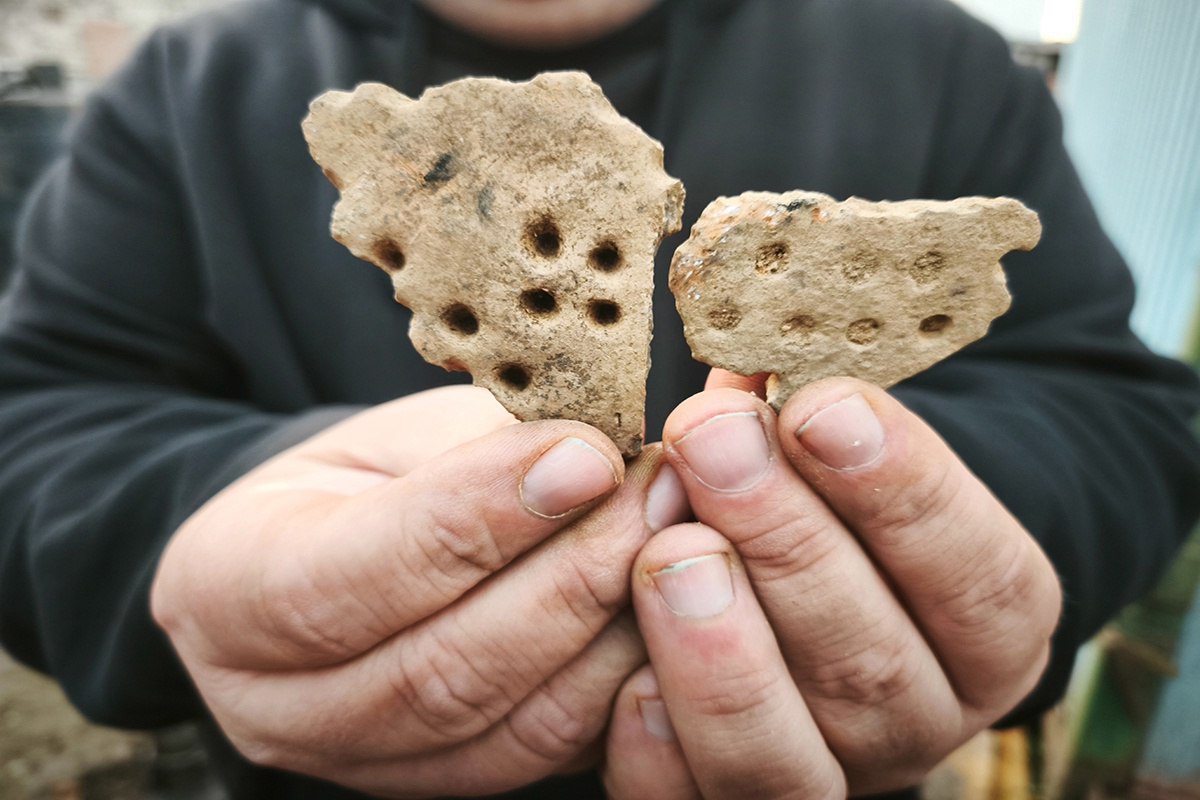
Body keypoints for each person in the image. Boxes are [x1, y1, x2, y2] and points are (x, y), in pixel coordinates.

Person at [1, 0, 1198, 797]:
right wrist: (201, 535)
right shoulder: (183, 88)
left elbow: (1116, 407)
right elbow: (39, 423)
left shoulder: (939, 58)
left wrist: (934, 539)